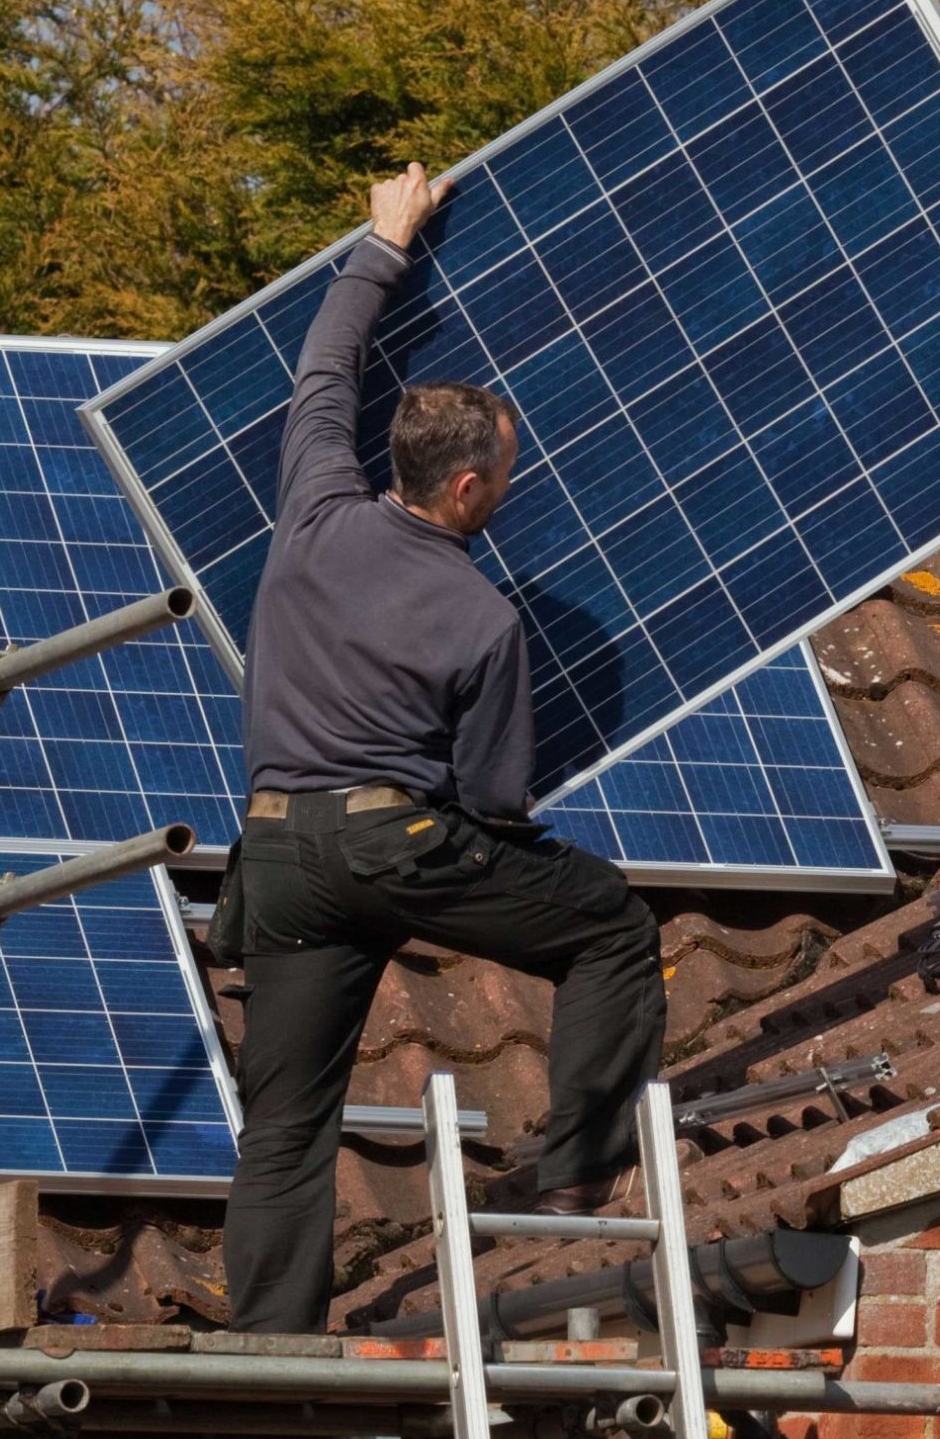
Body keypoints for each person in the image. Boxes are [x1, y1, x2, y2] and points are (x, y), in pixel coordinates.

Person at [217, 159, 668, 1337]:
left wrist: (384, 240)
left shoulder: (312, 501)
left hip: (270, 855)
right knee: (611, 923)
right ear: (467, 484)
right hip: (394, 841)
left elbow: (324, 370)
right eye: (504, 477)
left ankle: (272, 1344)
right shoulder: (480, 614)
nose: (510, 492)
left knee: (283, 1122)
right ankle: (575, 1161)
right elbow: (494, 797)